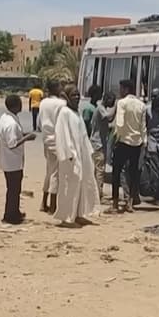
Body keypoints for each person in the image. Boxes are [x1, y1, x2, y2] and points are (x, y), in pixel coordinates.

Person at [53, 84, 101, 228]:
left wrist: (88, 152)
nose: (77, 97)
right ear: (67, 97)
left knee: (82, 186)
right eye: (73, 95)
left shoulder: (77, 113)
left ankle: (79, 215)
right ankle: (67, 219)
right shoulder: (64, 112)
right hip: (70, 158)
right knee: (70, 187)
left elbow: (83, 135)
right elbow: (62, 135)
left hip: (81, 156)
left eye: (78, 94)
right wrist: (69, 154)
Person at [0, 94, 36, 225]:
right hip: (12, 162)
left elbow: (14, 136)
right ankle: (10, 216)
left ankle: (15, 212)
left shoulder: (5, 117)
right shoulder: (11, 123)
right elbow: (12, 143)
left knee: (14, 189)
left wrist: (24, 134)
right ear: (15, 106)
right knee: (14, 190)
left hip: (9, 161)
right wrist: (27, 138)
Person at [111, 79, 146, 213]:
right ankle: (130, 202)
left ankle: (115, 203)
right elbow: (143, 126)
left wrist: (116, 138)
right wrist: (144, 142)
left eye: (121, 89)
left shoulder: (122, 103)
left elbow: (119, 123)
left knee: (116, 172)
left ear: (126, 89)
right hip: (136, 143)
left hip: (123, 141)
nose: (119, 91)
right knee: (134, 173)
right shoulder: (141, 105)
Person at [38, 80, 67, 214]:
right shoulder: (61, 104)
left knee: (49, 171)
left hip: (46, 140)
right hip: (57, 140)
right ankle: (53, 205)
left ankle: (44, 202)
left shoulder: (43, 102)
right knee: (56, 174)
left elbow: (39, 123)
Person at [90, 92, 116, 200]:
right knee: (100, 170)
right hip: (98, 143)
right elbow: (108, 117)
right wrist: (116, 108)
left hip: (100, 142)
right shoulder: (100, 108)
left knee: (98, 169)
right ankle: (98, 194)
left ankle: (96, 191)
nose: (113, 102)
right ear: (107, 99)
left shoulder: (102, 108)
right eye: (112, 100)